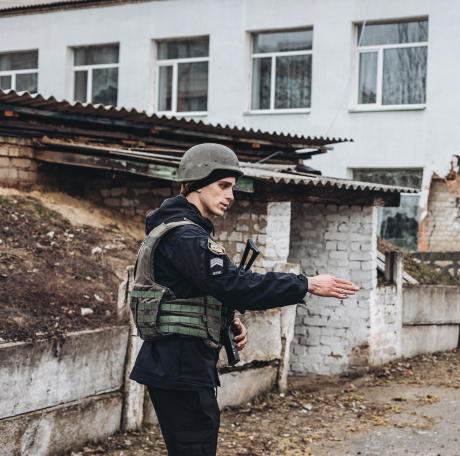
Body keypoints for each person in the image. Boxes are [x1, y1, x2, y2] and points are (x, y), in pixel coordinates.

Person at [128, 143, 358, 455]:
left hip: (180, 363)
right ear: (196, 183)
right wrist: (305, 284)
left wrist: (224, 317)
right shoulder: (186, 236)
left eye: (233, 188)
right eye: (223, 186)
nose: (231, 196)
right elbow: (237, 284)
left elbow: (194, 291)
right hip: (180, 366)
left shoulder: (182, 231)